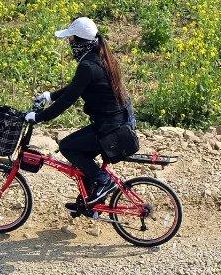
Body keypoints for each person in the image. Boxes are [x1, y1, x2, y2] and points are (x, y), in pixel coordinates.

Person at [24, 16, 138, 208]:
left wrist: (39, 117)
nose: (70, 44)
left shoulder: (87, 66)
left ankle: (103, 181)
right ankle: (90, 203)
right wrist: (49, 96)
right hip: (117, 123)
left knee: (68, 146)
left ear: (80, 42)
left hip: (110, 129)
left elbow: (69, 99)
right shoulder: (100, 58)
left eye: (71, 40)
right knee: (81, 152)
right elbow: (76, 88)